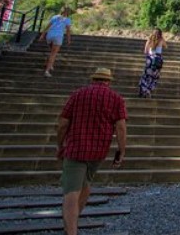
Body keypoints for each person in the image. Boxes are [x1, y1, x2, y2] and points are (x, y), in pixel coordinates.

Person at [57, 67, 127, 235]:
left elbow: (63, 122)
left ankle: (71, 228)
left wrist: (60, 143)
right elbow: (121, 127)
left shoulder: (78, 94)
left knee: (72, 192)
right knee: (85, 186)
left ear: (93, 80)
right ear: (108, 82)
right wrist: (121, 150)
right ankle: (72, 224)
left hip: (76, 148)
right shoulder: (115, 98)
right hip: (98, 150)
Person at [39, 7, 72, 77]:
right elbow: (68, 31)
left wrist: (42, 35)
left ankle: (51, 64)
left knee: (52, 51)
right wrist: (69, 39)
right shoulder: (67, 20)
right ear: (68, 12)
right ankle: (47, 71)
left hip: (49, 35)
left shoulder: (54, 17)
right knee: (53, 54)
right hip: (58, 36)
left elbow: (47, 26)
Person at [138, 28, 167, 98]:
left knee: (146, 76)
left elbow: (145, 51)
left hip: (150, 60)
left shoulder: (150, 39)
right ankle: (149, 90)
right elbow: (166, 46)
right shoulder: (161, 40)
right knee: (154, 77)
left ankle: (144, 89)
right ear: (160, 34)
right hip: (158, 60)